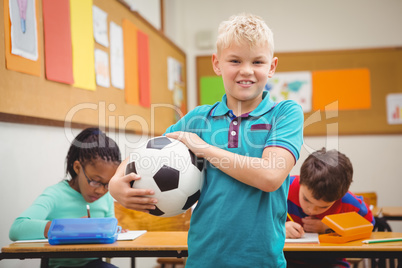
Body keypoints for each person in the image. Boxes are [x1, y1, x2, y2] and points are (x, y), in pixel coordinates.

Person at [109, 13, 304, 267]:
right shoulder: (199, 119)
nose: (246, 70)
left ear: (272, 66)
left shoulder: (285, 113)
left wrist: (203, 148)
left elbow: (269, 177)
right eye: (235, 60)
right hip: (203, 259)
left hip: (262, 260)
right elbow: (148, 152)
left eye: (257, 61)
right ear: (217, 64)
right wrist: (116, 182)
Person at [9, 127, 121, 268]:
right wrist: (67, 227)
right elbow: (17, 228)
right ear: (77, 168)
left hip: (93, 264)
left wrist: (113, 230)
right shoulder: (55, 195)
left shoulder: (106, 198)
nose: (100, 190)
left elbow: (108, 244)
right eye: (95, 181)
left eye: (107, 184)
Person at [286, 148, 375, 268]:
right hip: (287, 261)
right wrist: (280, 228)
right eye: (306, 199)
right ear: (301, 180)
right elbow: (256, 221)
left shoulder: (347, 201)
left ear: (339, 197)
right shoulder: (284, 189)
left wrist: (328, 227)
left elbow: (368, 224)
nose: (311, 210)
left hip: (332, 263)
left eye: (323, 207)